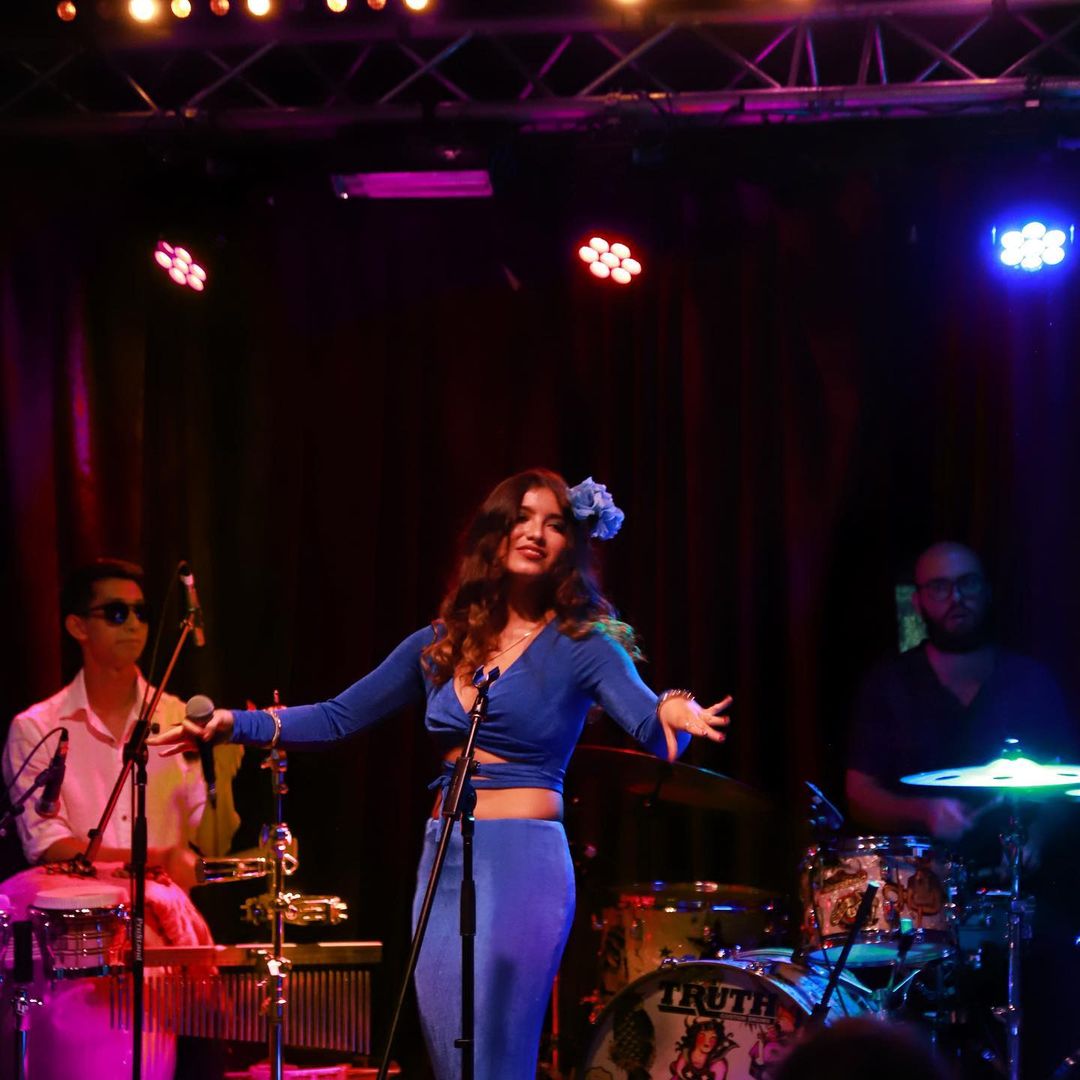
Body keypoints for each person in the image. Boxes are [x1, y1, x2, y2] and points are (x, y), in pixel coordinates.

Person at [151, 468, 732, 1080]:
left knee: (496, 1058)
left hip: (524, 863)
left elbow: (650, 724)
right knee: (450, 1051)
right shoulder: (441, 643)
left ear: (571, 545)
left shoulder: (584, 645)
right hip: (444, 856)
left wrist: (675, 707)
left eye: (554, 524)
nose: (535, 533)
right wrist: (231, 724)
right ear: (494, 533)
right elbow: (337, 717)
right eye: (522, 518)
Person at [2, 558, 220, 888]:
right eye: (117, 613)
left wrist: (226, 779)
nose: (133, 624)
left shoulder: (178, 717)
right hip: (79, 915)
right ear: (78, 627)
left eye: (141, 613)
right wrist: (158, 861)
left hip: (166, 914)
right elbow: (49, 844)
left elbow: (208, 834)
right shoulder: (36, 728)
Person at [845, 540, 1074, 850]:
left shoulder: (1032, 681)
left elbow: (1069, 781)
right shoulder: (889, 684)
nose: (957, 597)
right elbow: (859, 794)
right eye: (940, 587)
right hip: (922, 871)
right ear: (918, 602)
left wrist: (1037, 839)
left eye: (968, 583)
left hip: (1022, 869)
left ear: (987, 591)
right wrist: (924, 812)